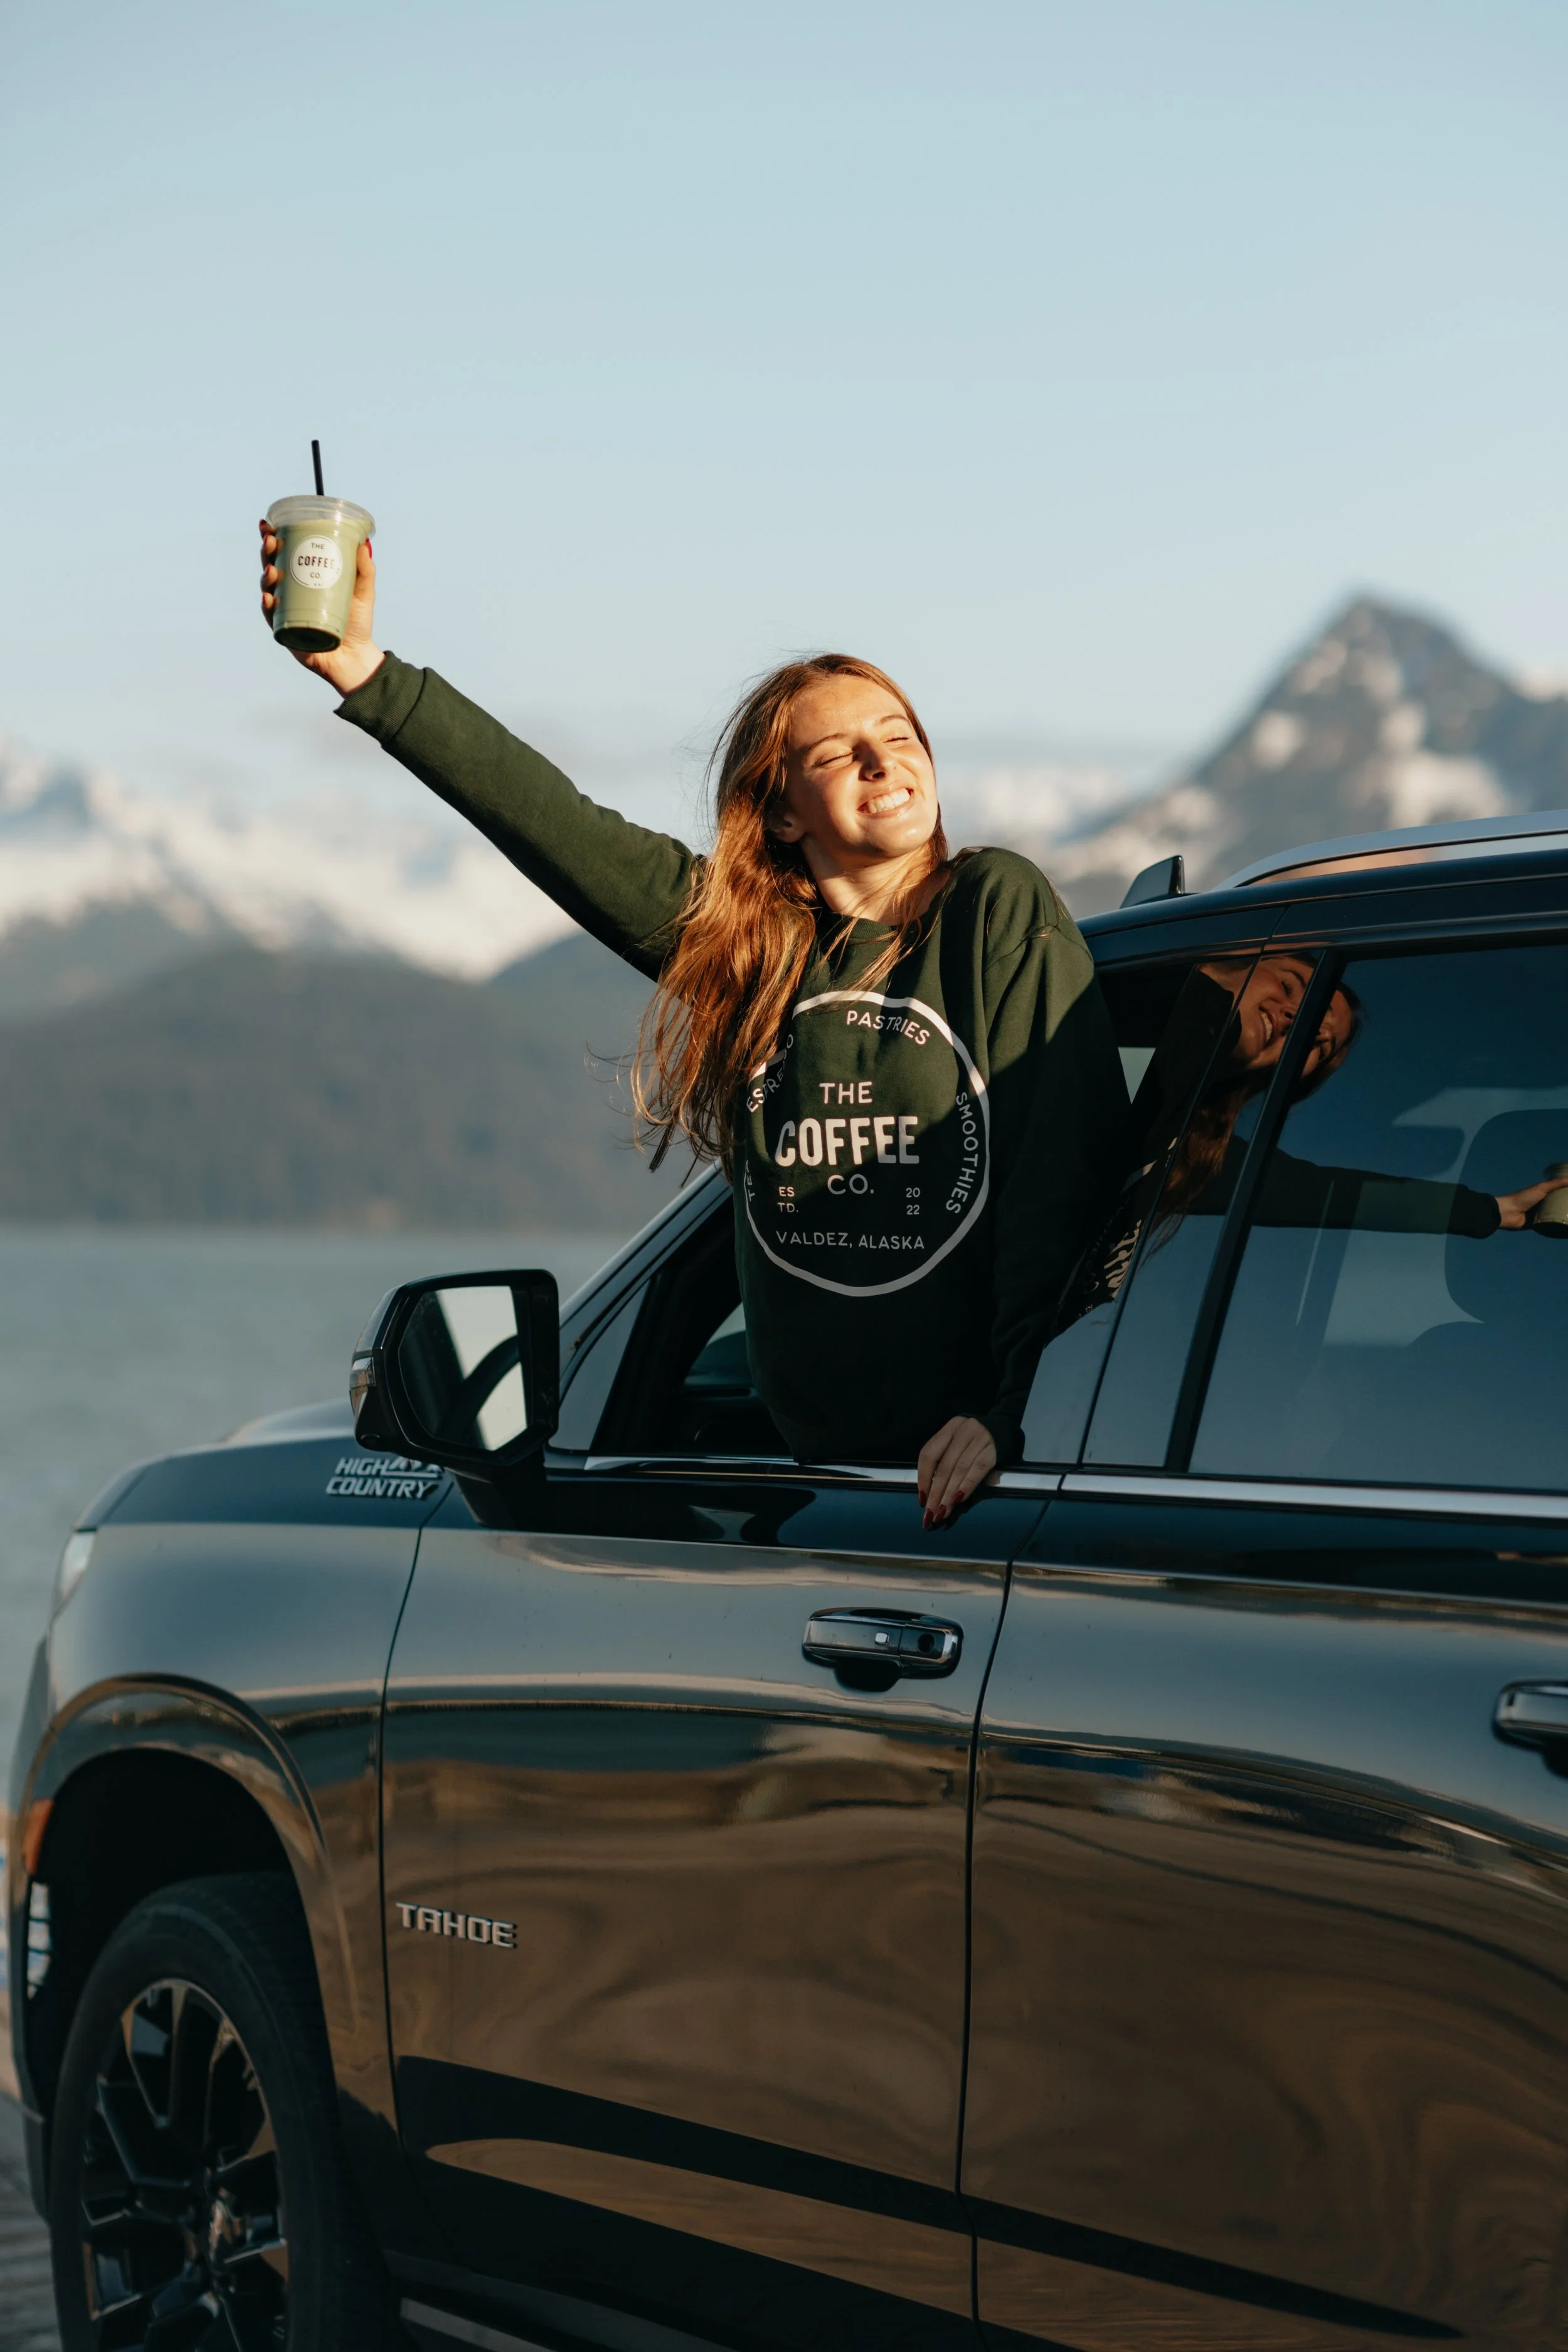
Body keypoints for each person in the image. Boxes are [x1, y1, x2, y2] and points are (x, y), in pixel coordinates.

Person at [260, 525, 1126, 1523]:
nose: (883, 759)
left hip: (973, 1485)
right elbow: (554, 823)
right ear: (785, 811)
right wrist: (366, 675)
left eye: (900, 734)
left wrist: (1009, 1410)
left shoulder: (993, 906)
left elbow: (1061, 1176)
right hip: (813, 1497)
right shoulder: (751, 954)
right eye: (838, 750)